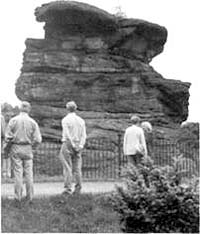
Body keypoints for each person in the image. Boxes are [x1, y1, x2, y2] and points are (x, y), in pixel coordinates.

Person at [5, 101, 42, 205]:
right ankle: (30, 197)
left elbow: (7, 136)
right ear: (29, 109)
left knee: (18, 173)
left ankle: (18, 197)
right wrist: (33, 147)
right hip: (28, 147)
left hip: (16, 146)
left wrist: (8, 147)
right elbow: (38, 139)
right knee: (29, 173)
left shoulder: (13, 120)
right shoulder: (33, 122)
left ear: (20, 108)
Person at [59, 101, 86, 195]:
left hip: (68, 143)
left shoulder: (65, 120)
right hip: (79, 143)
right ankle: (78, 188)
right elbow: (84, 135)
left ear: (67, 108)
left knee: (67, 167)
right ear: (76, 108)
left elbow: (67, 133)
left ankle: (68, 188)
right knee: (77, 167)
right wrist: (81, 145)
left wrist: (73, 144)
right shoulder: (81, 120)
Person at [1, 114, 11, 178]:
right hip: (5, 141)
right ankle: (5, 173)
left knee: (6, 158)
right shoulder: (3, 121)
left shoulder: (9, 124)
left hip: (6, 142)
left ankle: (7, 173)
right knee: (5, 158)